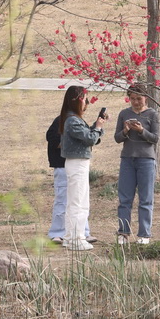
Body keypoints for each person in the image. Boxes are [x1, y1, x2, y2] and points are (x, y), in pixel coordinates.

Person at [59, 85, 107, 251]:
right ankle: (76, 238)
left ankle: (69, 237)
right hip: (77, 163)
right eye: (85, 99)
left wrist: (97, 126)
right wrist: (98, 127)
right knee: (78, 202)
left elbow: (90, 137)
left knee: (77, 201)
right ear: (77, 100)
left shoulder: (72, 119)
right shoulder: (72, 120)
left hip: (78, 162)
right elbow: (90, 139)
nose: (86, 103)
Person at [114, 83, 159, 245]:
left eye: (139, 99)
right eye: (132, 99)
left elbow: (155, 138)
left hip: (146, 160)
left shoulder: (152, 114)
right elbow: (117, 138)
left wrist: (141, 131)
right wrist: (126, 130)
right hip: (127, 159)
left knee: (145, 198)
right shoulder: (124, 113)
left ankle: (144, 235)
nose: (135, 102)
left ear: (145, 98)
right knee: (125, 199)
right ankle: (123, 233)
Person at [46, 115, 94, 245]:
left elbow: (89, 138)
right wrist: (69, 146)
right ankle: (58, 233)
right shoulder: (61, 120)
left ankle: (83, 232)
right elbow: (51, 138)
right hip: (62, 165)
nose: (84, 107)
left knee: (79, 199)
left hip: (78, 165)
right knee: (62, 199)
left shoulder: (80, 121)